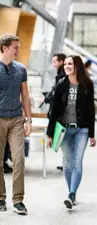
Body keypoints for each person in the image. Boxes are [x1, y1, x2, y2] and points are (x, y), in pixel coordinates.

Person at [46, 55, 96, 210]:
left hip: (82, 129)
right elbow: (53, 111)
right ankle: (71, 193)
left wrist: (92, 134)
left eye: (70, 64)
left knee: (77, 162)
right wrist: (49, 134)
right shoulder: (61, 85)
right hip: (64, 130)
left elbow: (91, 111)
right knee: (67, 163)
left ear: (77, 66)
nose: (66, 66)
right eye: (65, 64)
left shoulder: (87, 84)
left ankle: (72, 194)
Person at [0, 33, 32, 215]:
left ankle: (18, 200)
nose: (18, 50)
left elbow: (25, 96)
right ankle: (0, 198)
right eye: (15, 47)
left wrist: (28, 120)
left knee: (19, 159)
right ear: (5, 48)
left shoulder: (21, 69)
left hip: (17, 120)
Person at [43, 53, 66, 171]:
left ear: (61, 61)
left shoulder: (62, 76)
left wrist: (48, 99)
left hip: (60, 112)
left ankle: (66, 162)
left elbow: (58, 94)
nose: (53, 64)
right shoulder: (60, 75)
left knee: (62, 137)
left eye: (55, 61)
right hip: (58, 110)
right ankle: (65, 162)